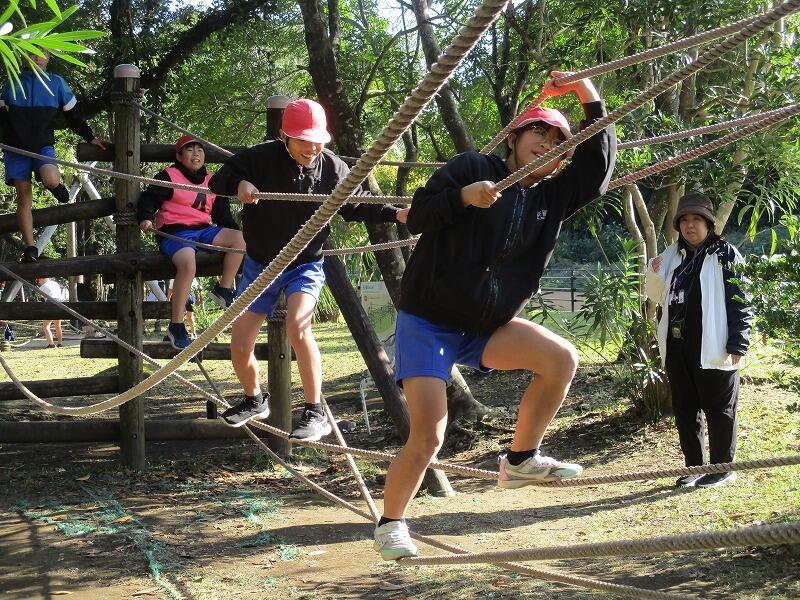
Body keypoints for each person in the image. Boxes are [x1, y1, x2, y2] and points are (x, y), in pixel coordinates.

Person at [372, 71, 617, 560]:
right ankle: (391, 524)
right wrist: (464, 197)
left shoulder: (551, 196)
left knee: (561, 359)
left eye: (558, 142)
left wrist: (586, 90)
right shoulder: (472, 166)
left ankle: (521, 458)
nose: (546, 144)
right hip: (429, 320)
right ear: (514, 137)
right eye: (538, 132)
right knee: (429, 435)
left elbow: (598, 163)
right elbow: (418, 214)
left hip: (485, 326)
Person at [208, 98, 408, 440]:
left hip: (305, 263)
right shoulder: (260, 157)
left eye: (317, 141)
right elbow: (219, 180)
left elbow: (357, 204)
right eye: (303, 140)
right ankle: (254, 399)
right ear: (284, 136)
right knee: (240, 340)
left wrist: (395, 213)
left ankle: (315, 412)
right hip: (261, 264)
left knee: (298, 327)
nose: (312, 148)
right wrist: (239, 185)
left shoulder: (332, 167)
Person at [646, 192, 752, 489]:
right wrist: (653, 273)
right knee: (685, 409)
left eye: (696, 219)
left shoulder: (725, 253)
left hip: (714, 343)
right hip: (677, 346)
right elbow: (655, 296)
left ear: (708, 223)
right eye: (684, 220)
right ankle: (694, 467)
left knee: (719, 408)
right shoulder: (671, 254)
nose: (689, 225)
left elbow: (742, 299)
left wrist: (738, 341)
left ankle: (722, 469)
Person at [138, 135, 245, 350]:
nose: (196, 154)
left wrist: (236, 232)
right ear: (179, 156)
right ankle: (176, 325)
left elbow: (223, 216)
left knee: (240, 239)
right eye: (189, 150)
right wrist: (146, 217)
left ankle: (223, 289)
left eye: (199, 150)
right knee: (188, 264)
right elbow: (149, 197)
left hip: (203, 230)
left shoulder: (212, 181)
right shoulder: (169, 176)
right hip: (175, 231)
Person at [0, 49, 106, 262]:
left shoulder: (57, 83)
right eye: (31, 54)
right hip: (15, 149)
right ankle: (30, 247)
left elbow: (74, 115)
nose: (36, 58)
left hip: (41, 147)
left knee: (51, 178)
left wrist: (90, 137)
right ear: (24, 57)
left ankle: (53, 185)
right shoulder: (12, 82)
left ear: (48, 56)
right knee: (24, 197)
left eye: (41, 53)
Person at [37, 276, 64, 348]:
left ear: (42, 278)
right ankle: (60, 343)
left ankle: (51, 344)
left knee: (46, 326)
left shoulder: (42, 287)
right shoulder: (55, 283)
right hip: (60, 303)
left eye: (38, 280)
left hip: (50, 303)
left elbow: (42, 299)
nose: (38, 282)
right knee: (58, 326)